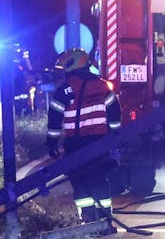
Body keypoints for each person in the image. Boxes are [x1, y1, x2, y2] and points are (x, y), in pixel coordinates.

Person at [46, 47, 122, 228]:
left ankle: (89, 221)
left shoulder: (64, 90)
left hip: (75, 146)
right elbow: (114, 114)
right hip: (99, 144)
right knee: (99, 180)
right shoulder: (102, 86)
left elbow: (55, 119)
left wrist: (52, 144)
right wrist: (115, 139)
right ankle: (105, 221)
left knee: (80, 183)